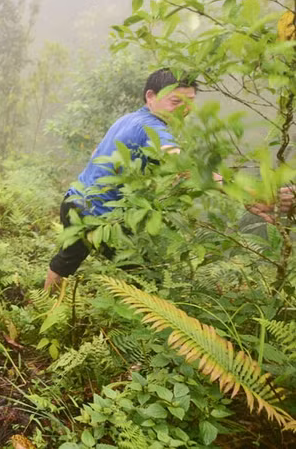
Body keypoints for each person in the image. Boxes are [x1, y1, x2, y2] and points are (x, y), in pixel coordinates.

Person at [44, 68, 292, 293]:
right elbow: (183, 166)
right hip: (99, 217)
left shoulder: (128, 119)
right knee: (147, 278)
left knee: (68, 259)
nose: (185, 109)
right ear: (150, 96)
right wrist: (246, 193)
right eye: (176, 101)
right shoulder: (153, 128)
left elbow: (96, 154)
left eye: (190, 102)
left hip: (74, 200)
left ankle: (43, 306)